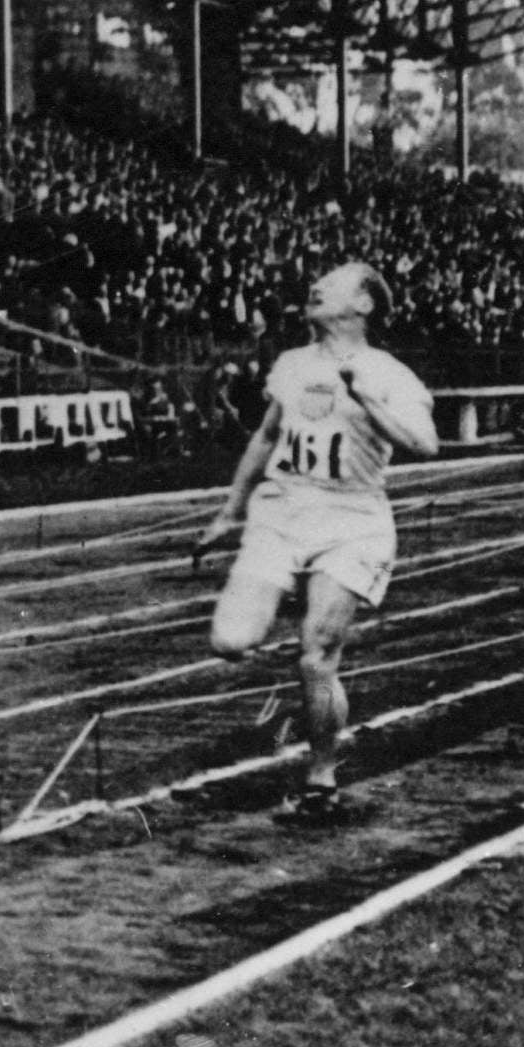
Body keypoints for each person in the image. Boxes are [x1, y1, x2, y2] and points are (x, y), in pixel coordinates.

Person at [195, 262, 438, 826]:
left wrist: (366, 399)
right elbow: (268, 434)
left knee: (317, 656)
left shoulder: (388, 372)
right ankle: (295, 605)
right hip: (282, 515)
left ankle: (320, 776)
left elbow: (427, 444)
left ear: (364, 306)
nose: (316, 286)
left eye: (334, 282)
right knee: (231, 641)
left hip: (351, 520)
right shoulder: (291, 363)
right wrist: (229, 512)